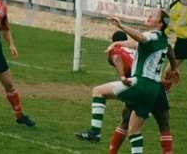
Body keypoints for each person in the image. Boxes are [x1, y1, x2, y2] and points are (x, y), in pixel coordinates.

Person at [75, 10, 177, 154]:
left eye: (153, 16)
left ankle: (95, 132)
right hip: (153, 89)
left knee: (98, 91)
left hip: (141, 83)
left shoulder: (151, 35)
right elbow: (167, 51)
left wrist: (121, 26)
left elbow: (141, 37)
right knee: (134, 131)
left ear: (160, 23)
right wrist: (173, 68)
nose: (148, 16)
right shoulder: (163, 40)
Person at [107, 31, 178, 154]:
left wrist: (123, 77)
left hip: (139, 86)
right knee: (164, 125)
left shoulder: (132, 47)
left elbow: (116, 59)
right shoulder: (161, 43)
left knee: (128, 124)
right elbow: (170, 50)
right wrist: (174, 68)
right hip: (157, 88)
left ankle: (111, 150)